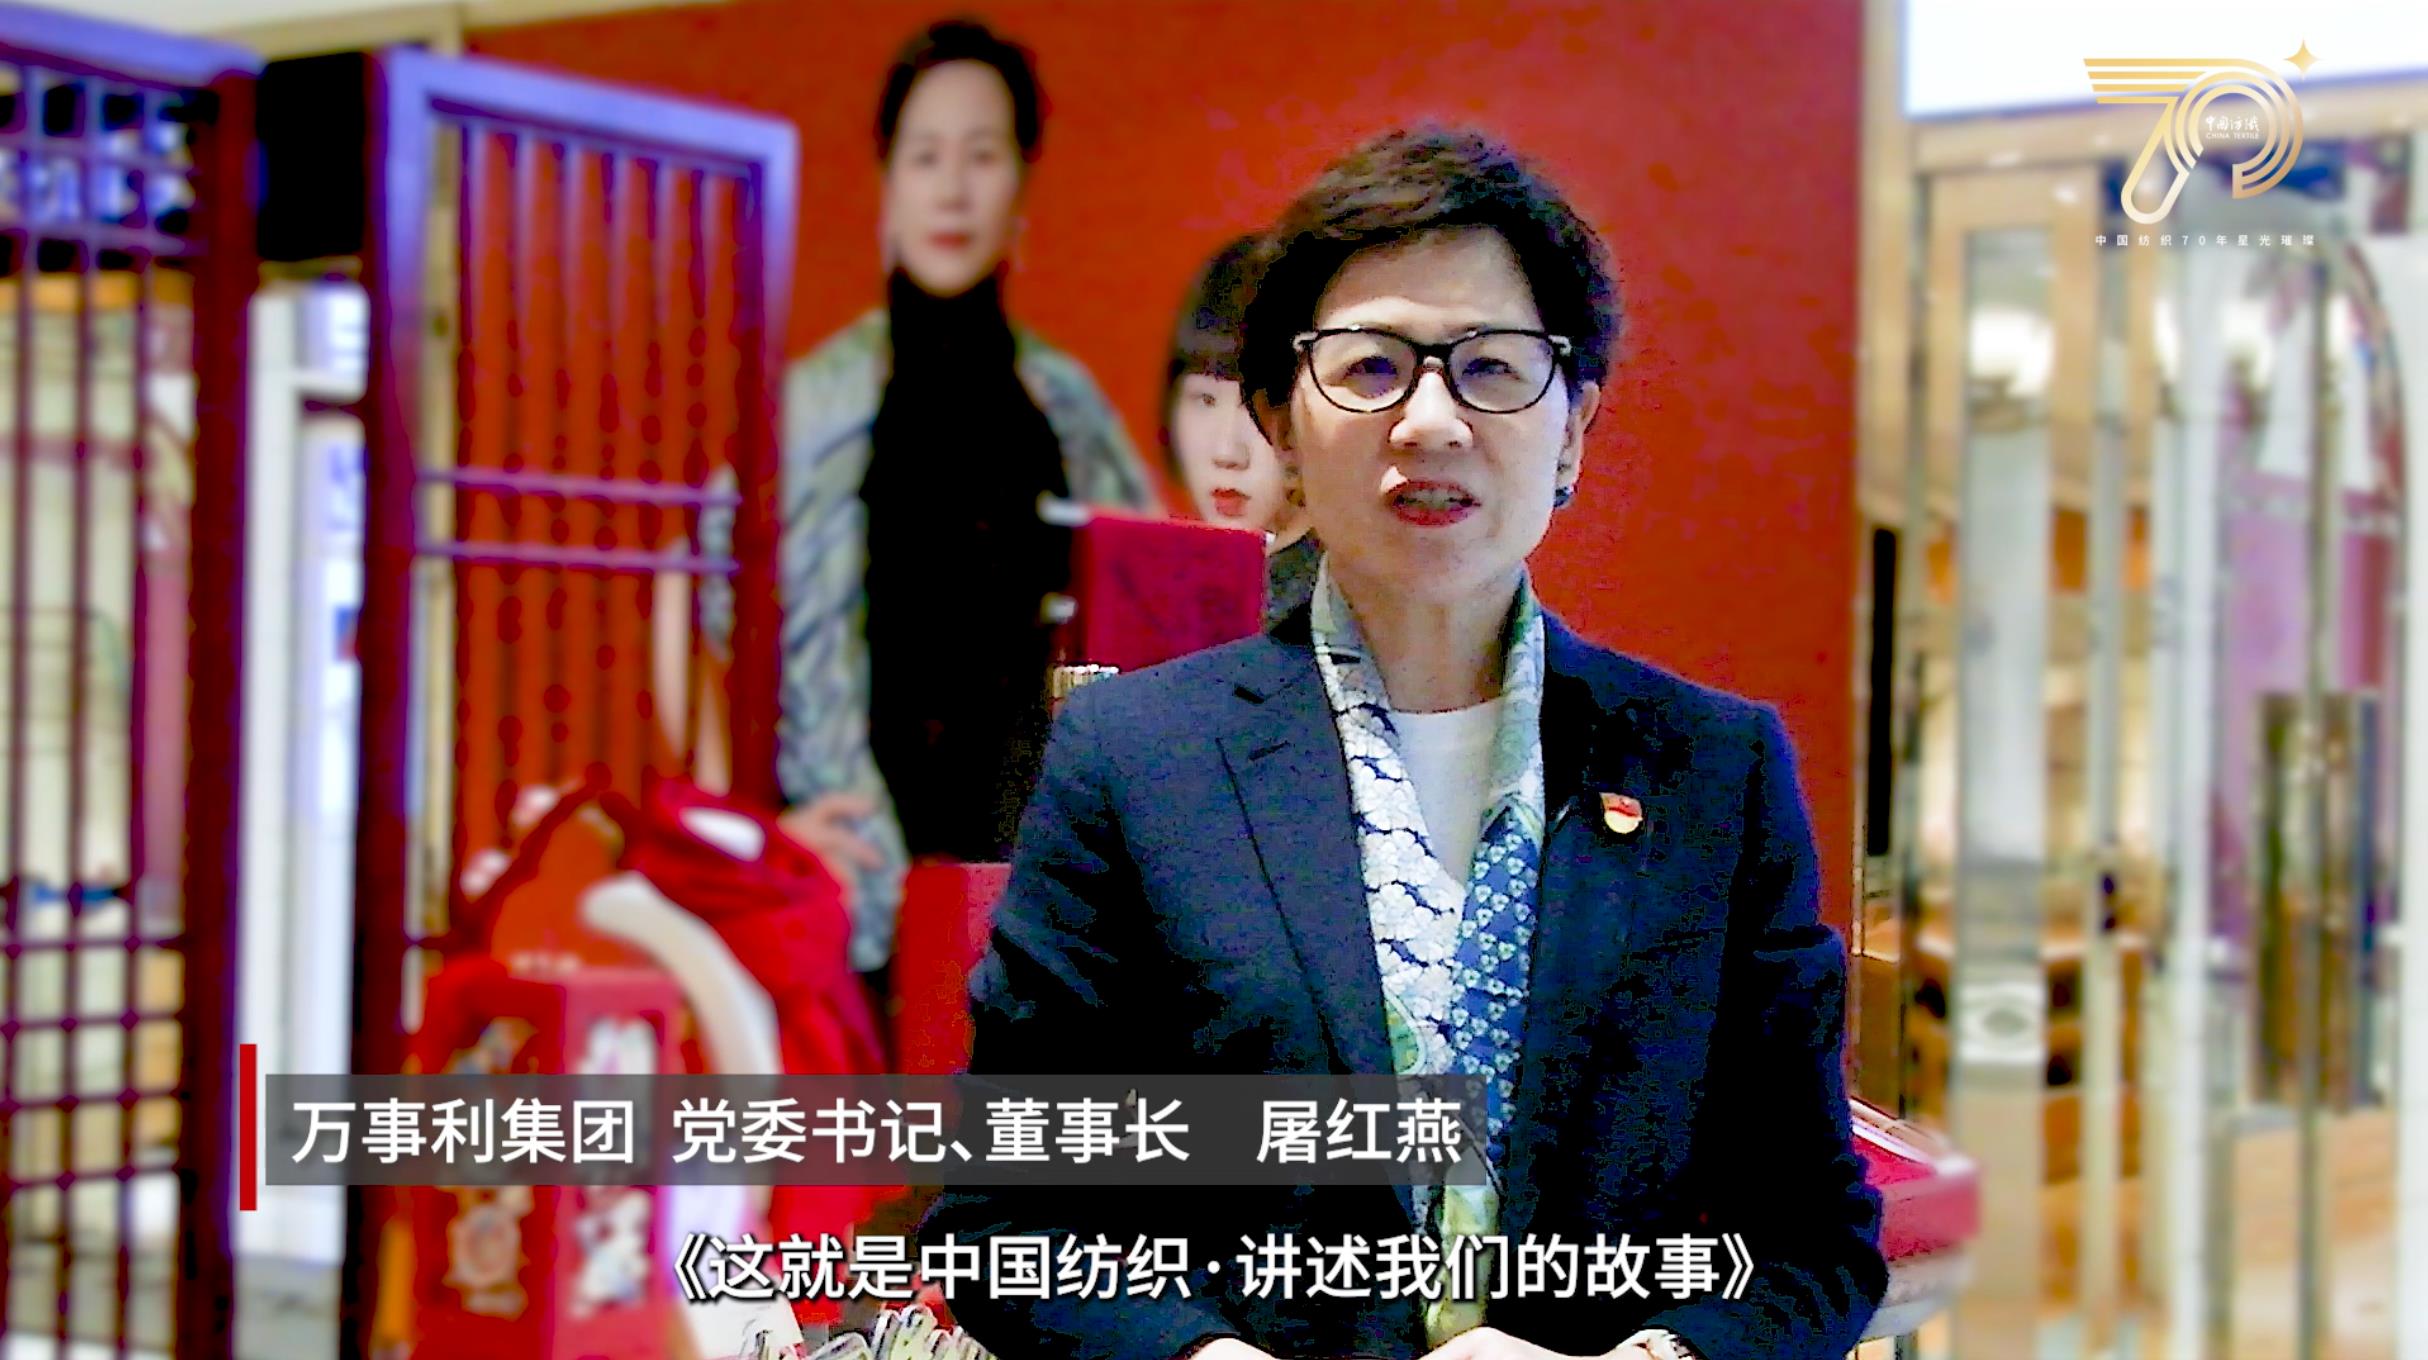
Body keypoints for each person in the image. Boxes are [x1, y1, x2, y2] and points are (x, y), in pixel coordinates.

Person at [923, 128, 1884, 1360]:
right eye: (1371, 367)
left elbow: (1811, 1239)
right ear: (1280, 420)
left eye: (1491, 369)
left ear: (1572, 430)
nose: (1431, 421)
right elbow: (1006, 1217)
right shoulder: (1134, 760)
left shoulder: (1710, 773)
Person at [712, 18, 1156, 971]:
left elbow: (1151, 614)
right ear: (889, 179)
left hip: (1036, 894)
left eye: (982, 155)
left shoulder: (1066, 408)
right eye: (925, 157)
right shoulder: (808, 411)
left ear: (1021, 182)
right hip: (854, 894)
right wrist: (758, 824)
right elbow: (699, 605)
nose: (952, 188)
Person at [1161, 235, 1320, 625]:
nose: (1227, 452)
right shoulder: (1158, 589)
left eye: (1255, 409)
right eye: (1204, 400)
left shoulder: (1350, 604)